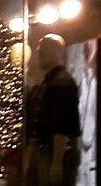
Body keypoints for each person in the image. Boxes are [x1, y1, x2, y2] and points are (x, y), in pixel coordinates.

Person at [25, 33, 81, 186]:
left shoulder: (61, 83)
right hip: (48, 151)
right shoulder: (51, 82)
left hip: (54, 153)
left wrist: (56, 162)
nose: (39, 53)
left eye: (42, 49)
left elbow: (62, 126)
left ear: (55, 52)